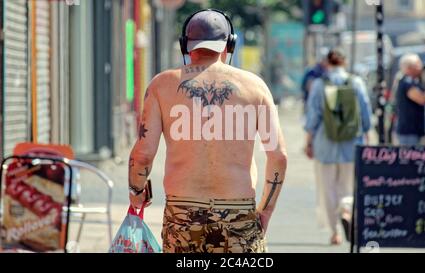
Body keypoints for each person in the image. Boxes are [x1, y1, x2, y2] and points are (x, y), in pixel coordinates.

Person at [127, 9, 287, 253]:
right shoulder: (255, 87)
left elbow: (142, 156)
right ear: (229, 45)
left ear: (186, 46)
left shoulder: (162, 85)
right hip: (238, 212)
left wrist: (137, 193)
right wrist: (266, 210)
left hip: (182, 214)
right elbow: (278, 156)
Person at [303, 49, 372, 245]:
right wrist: (366, 134)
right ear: (345, 62)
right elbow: (365, 112)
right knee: (348, 184)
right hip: (352, 142)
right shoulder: (356, 82)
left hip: (325, 143)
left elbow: (313, 116)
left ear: (327, 63)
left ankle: (335, 232)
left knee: (327, 188)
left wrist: (308, 141)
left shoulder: (318, 84)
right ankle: (347, 210)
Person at [395, 53, 425, 146]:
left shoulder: (414, 81)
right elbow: (422, 99)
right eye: (417, 64)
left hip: (414, 130)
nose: (421, 67)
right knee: (410, 159)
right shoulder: (406, 82)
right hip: (408, 132)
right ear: (409, 67)